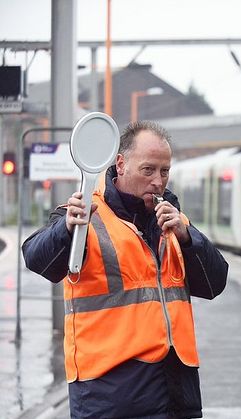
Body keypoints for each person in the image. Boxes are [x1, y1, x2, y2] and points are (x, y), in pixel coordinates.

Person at [23, 121, 228, 419]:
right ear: (121, 164)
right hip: (110, 396)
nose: (158, 181)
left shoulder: (174, 221)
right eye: (148, 170)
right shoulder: (84, 214)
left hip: (175, 394)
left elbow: (214, 283)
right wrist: (67, 229)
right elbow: (35, 257)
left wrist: (189, 237)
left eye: (165, 171)